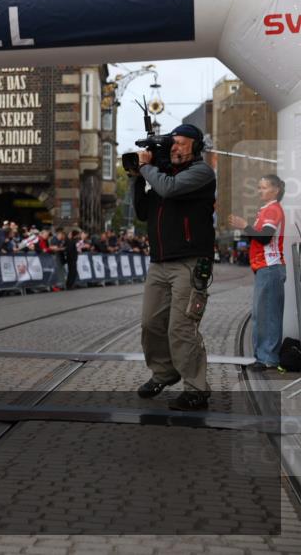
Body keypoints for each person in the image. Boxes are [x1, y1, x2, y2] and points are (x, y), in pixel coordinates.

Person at [132, 124, 215, 411]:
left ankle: (197, 389)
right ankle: (164, 372)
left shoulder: (201, 173)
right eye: (173, 143)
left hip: (190, 262)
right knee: (150, 323)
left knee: (181, 328)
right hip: (159, 262)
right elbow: (143, 211)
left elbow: (169, 190)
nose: (175, 147)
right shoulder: (161, 175)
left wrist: (147, 169)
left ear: (196, 145)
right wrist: (136, 177)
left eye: (180, 143)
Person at [228, 174, 287, 371]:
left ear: (275, 190)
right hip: (265, 268)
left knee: (267, 314)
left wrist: (245, 225)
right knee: (262, 314)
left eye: (263, 187)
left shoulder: (272, 210)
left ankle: (268, 358)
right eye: (259, 187)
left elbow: (264, 238)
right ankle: (262, 356)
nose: (259, 191)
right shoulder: (267, 210)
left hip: (270, 267)